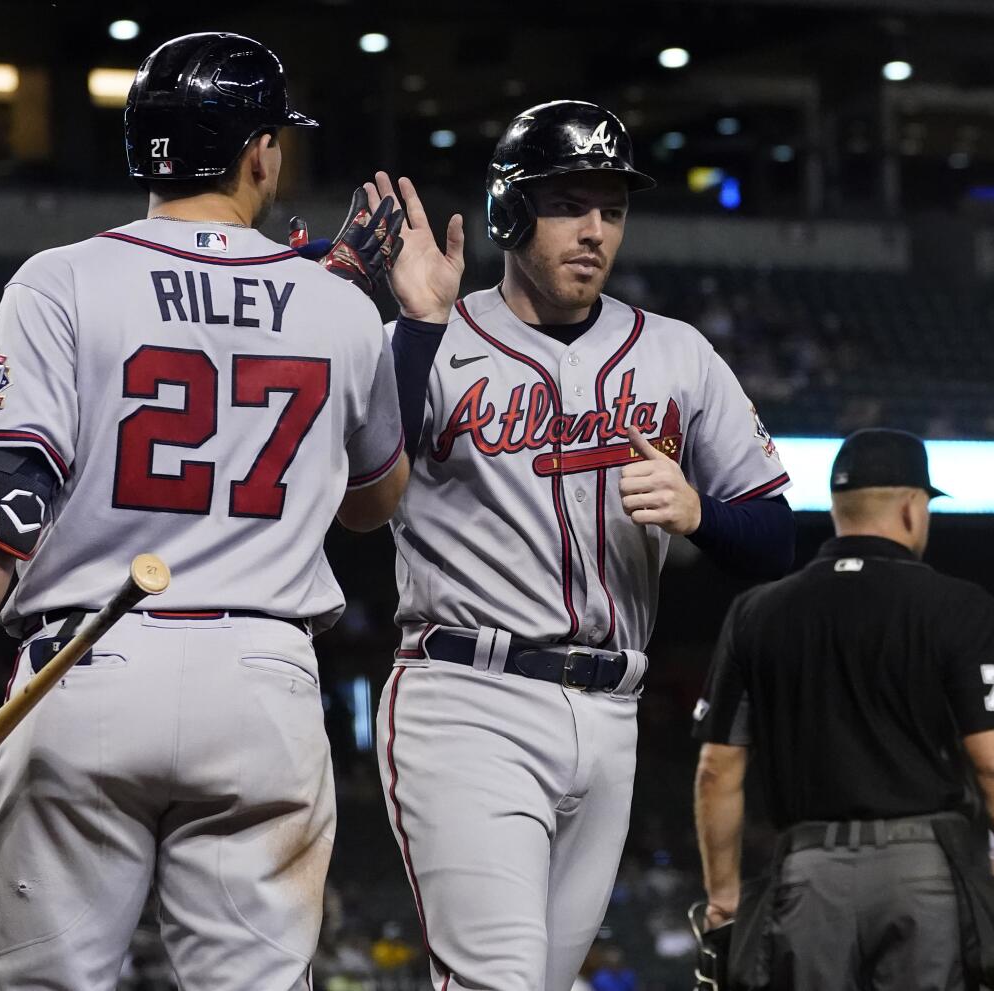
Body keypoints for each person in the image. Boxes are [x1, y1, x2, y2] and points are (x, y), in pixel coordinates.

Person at [0, 32, 408, 990]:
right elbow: (375, 505)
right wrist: (345, 309)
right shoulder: (340, 306)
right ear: (257, 151)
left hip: (87, 668)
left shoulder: (62, 278)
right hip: (263, 679)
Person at [371, 100, 795, 991]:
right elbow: (359, 497)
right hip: (468, 694)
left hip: (612, 713)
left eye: (612, 207)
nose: (595, 230)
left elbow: (774, 536)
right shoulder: (436, 341)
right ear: (510, 212)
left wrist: (698, 512)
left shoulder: (675, 354)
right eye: (569, 203)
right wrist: (417, 329)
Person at [692, 428, 994, 991]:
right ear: (912, 509)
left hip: (805, 875)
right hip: (924, 872)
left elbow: (717, 769)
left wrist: (722, 897)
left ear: (839, 510)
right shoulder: (959, 607)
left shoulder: (756, 613)